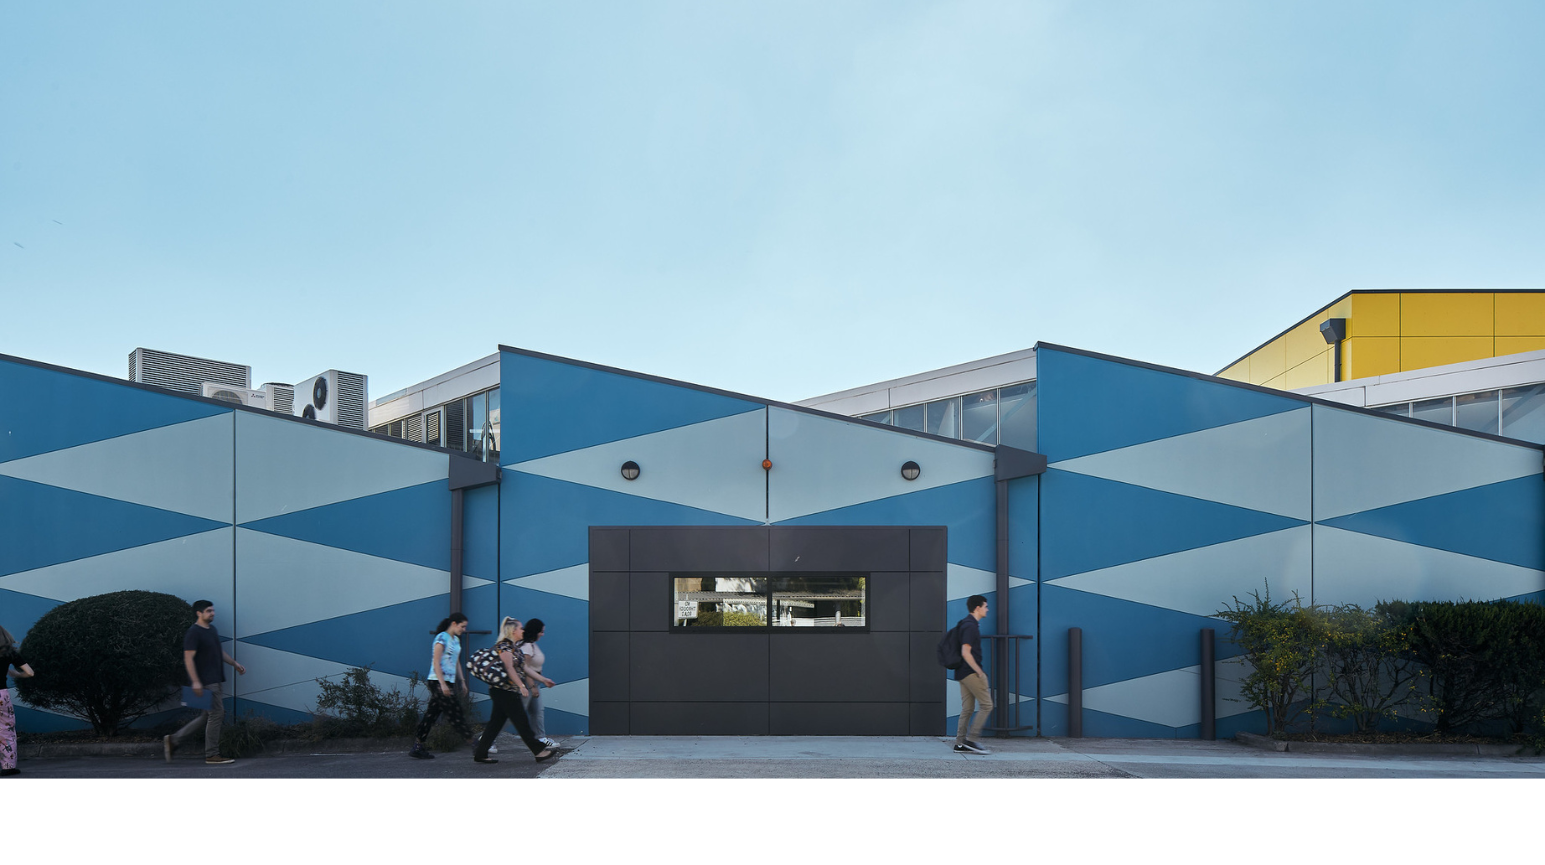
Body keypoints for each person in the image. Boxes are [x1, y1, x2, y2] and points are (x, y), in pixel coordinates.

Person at [164, 600, 246, 765]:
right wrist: (195, 681)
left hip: (215, 678)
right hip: (206, 681)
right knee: (216, 714)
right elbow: (188, 658)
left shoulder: (211, 630)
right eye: (208, 611)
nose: (212, 613)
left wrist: (234, 664)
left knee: (206, 716)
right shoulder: (194, 633)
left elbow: (218, 651)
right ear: (199, 613)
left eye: (212, 610)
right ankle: (212, 754)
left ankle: (174, 740)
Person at [470, 617, 553, 764]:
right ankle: (539, 751)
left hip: (505, 691)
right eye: (521, 628)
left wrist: (543, 679)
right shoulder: (504, 646)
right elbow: (509, 668)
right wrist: (521, 686)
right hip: (504, 691)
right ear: (513, 631)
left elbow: (525, 668)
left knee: (495, 724)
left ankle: (481, 753)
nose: (523, 630)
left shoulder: (515, 648)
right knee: (521, 721)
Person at [409, 613, 474, 759]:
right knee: (454, 711)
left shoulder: (456, 640)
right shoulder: (441, 638)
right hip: (438, 681)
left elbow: (456, 662)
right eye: (462, 626)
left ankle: (417, 746)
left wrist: (462, 681)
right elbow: (436, 662)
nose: (464, 629)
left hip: (448, 681)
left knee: (431, 715)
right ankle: (475, 743)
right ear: (454, 624)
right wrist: (442, 684)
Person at [953, 594, 994, 755]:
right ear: (978, 608)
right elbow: (966, 652)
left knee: (968, 708)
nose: (987, 609)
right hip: (970, 672)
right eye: (985, 606)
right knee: (987, 705)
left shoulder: (965, 623)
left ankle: (959, 744)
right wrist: (979, 671)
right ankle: (972, 739)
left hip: (962, 672)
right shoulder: (970, 626)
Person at [517, 617, 559, 749]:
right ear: (535, 631)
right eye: (541, 631)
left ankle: (540, 738)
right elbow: (525, 669)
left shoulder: (531, 644)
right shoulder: (527, 646)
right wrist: (532, 686)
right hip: (529, 683)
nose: (543, 634)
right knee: (514, 714)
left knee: (537, 711)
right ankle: (487, 740)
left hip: (534, 682)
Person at [1, 625, 36, 777]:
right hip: (1, 695)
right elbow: (30, 672)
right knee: (6, 731)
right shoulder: (9, 653)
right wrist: (15, 674)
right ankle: (8, 767)